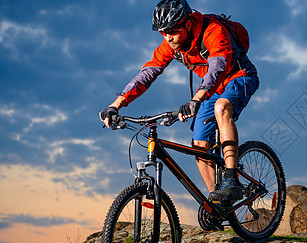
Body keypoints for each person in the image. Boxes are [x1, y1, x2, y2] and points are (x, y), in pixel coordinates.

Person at [99, 0, 259, 206]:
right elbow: (148, 73)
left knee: (222, 107)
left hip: (240, 77)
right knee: (199, 145)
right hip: (210, 90)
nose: (168, 37)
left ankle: (231, 179)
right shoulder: (170, 45)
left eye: (172, 31)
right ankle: (218, 204)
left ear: (188, 24)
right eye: (163, 32)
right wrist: (117, 104)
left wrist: (196, 99)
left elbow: (218, 66)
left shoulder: (213, 30)